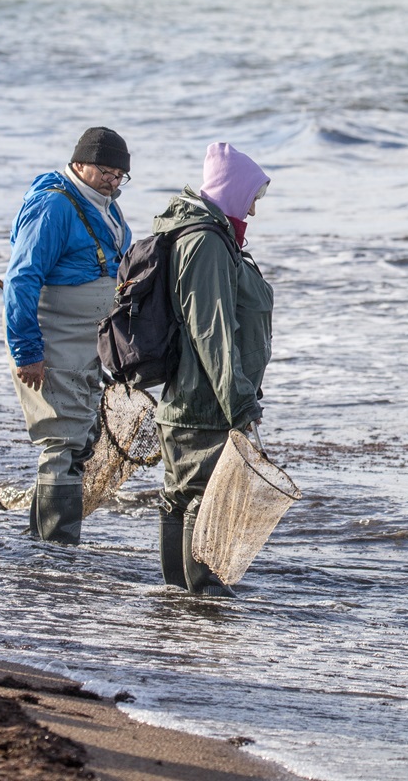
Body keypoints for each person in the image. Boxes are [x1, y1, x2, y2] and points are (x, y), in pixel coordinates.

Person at [153, 143, 273, 596]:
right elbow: (212, 332)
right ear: (232, 190)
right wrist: (238, 401)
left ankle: (175, 600)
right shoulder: (204, 243)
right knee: (199, 495)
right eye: (252, 199)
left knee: (181, 494)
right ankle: (201, 597)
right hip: (201, 402)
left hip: (192, 398)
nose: (254, 212)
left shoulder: (210, 238)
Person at [4, 127, 133, 544]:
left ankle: (42, 541)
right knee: (62, 441)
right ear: (79, 163)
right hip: (54, 340)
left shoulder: (106, 207)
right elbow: (21, 279)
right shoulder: (54, 205)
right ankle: (57, 550)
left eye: (119, 175)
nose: (112, 182)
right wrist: (27, 351)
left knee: (79, 441)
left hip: (87, 342)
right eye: (105, 172)